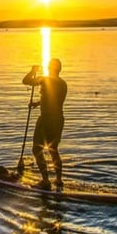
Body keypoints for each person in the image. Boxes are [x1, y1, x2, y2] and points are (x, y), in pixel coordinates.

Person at [21, 58, 67, 190]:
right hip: (58, 119)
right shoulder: (63, 83)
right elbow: (53, 100)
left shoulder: (45, 79)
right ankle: (58, 180)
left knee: (37, 149)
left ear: (50, 68)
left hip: (46, 119)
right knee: (53, 150)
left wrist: (32, 71)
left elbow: (25, 81)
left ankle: (45, 181)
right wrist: (37, 103)